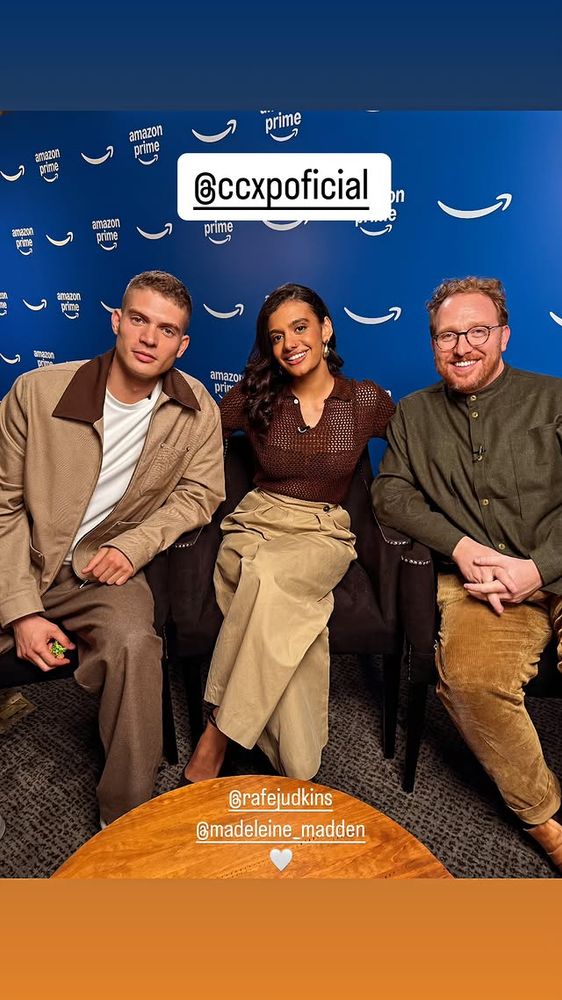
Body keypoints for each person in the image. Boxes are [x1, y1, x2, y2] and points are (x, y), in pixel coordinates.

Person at [0, 270, 225, 825]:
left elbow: (201, 494)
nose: (150, 338)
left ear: (183, 343)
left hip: (98, 573)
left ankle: (125, 819)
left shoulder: (197, 408)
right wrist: (22, 610)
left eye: (167, 329)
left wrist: (136, 544)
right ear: (117, 322)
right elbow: (2, 507)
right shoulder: (37, 391)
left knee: (134, 644)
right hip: (18, 561)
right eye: (141, 320)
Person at [372, 275, 562, 871]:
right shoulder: (414, 414)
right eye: (447, 336)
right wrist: (460, 547)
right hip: (482, 589)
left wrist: (541, 568)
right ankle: (546, 820)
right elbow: (391, 493)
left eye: (477, 331)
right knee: (472, 679)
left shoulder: (554, 398)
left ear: (503, 335)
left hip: (556, 564)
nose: (461, 347)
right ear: (433, 345)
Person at [179, 282, 395, 785]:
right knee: (278, 603)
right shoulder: (257, 397)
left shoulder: (364, 400)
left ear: (325, 329)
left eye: (300, 328)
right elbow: (192, 426)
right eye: (276, 337)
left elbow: (425, 435)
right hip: (254, 523)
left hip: (322, 531)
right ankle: (272, 757)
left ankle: (219, 729)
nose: (290, 344)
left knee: (269, 579)